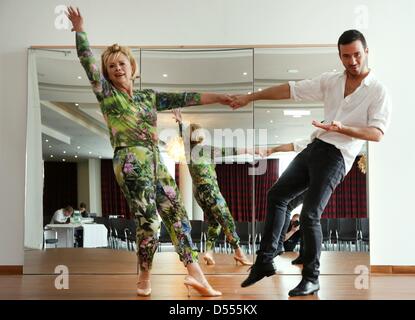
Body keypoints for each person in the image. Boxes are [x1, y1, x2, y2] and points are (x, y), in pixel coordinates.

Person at [67, 6, 233, 297]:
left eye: (122, 63)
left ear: (132, 66)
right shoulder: (108, 94)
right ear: (108, 72)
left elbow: (184, 97)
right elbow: (87, 63)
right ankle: (144, 275)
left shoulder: (148, 97)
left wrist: (218, 97)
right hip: (130, 160)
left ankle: (196, 274)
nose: (118, 69)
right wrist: (80, 31)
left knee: (177, 214)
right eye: (112, 66)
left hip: (156, 160)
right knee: (150, 219)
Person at [232, 29, 391, 296]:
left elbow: (376, 134)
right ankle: (264, 260)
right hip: (315, 147)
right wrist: (251, 96)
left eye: (357, 55)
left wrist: (343, 128)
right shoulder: (331, 80)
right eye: (346, 56)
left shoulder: (377, 91)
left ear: (367, 52)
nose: (352, 61)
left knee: (309, 214)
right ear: (339, 56)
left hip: (338, 156)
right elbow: (291, 90)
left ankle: (312, 277)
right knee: (277, 195)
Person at [171, 108, 252, 266]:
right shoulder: (205, 150)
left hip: (198, 192)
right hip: (210, 189)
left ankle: (208, 252)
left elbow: (183, 138)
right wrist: (249, 150)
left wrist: (180, 123)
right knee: (226, 219)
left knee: (214, 222)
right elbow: (230, 151)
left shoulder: (188, 151)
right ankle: (239, 253)